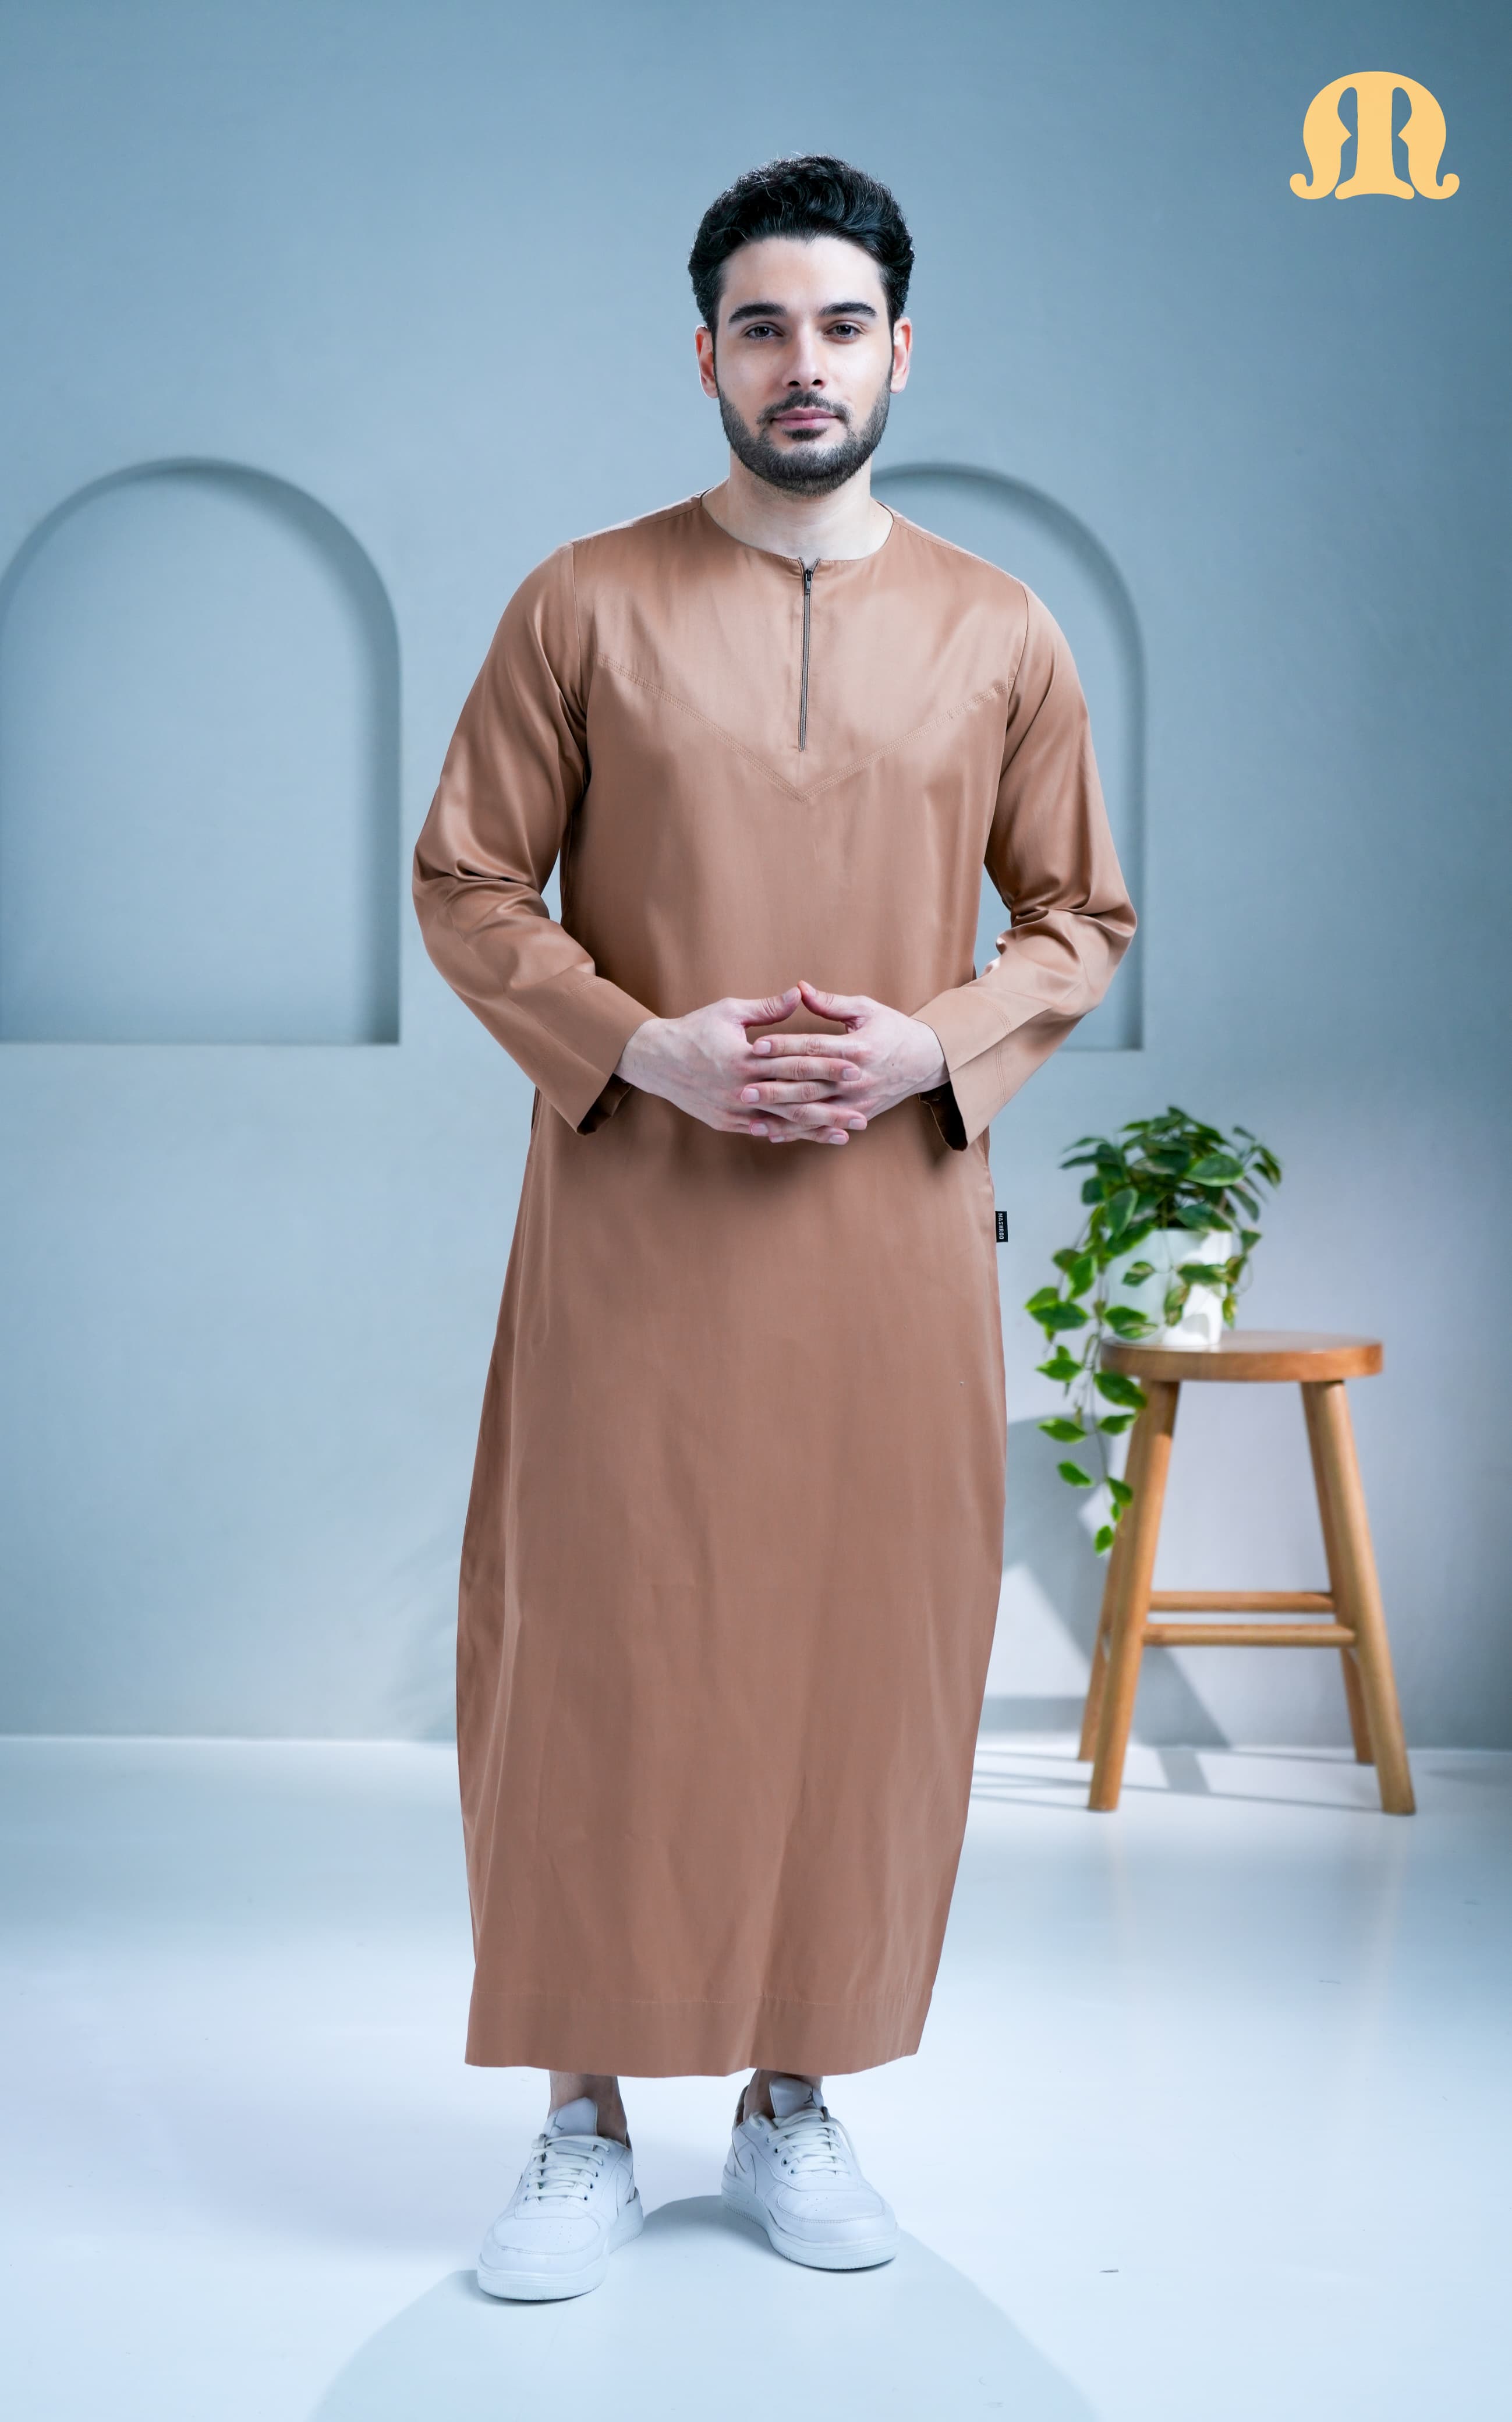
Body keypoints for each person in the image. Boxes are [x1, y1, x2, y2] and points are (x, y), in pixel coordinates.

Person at [412, 154, 1135, 2301]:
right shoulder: (581, 603)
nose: (801, 365)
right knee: (598, 1652)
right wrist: (652, 1049)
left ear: (901, 349)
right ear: (705, 353)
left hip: (887, 1242)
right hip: (638, 1218)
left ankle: (798, 2101)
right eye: (761, 326)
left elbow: (1079, 913)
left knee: (859, 1656)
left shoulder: (1000, 626)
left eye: (840, 327)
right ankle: (577, 2119)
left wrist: (936, 1046)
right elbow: (470, 884)